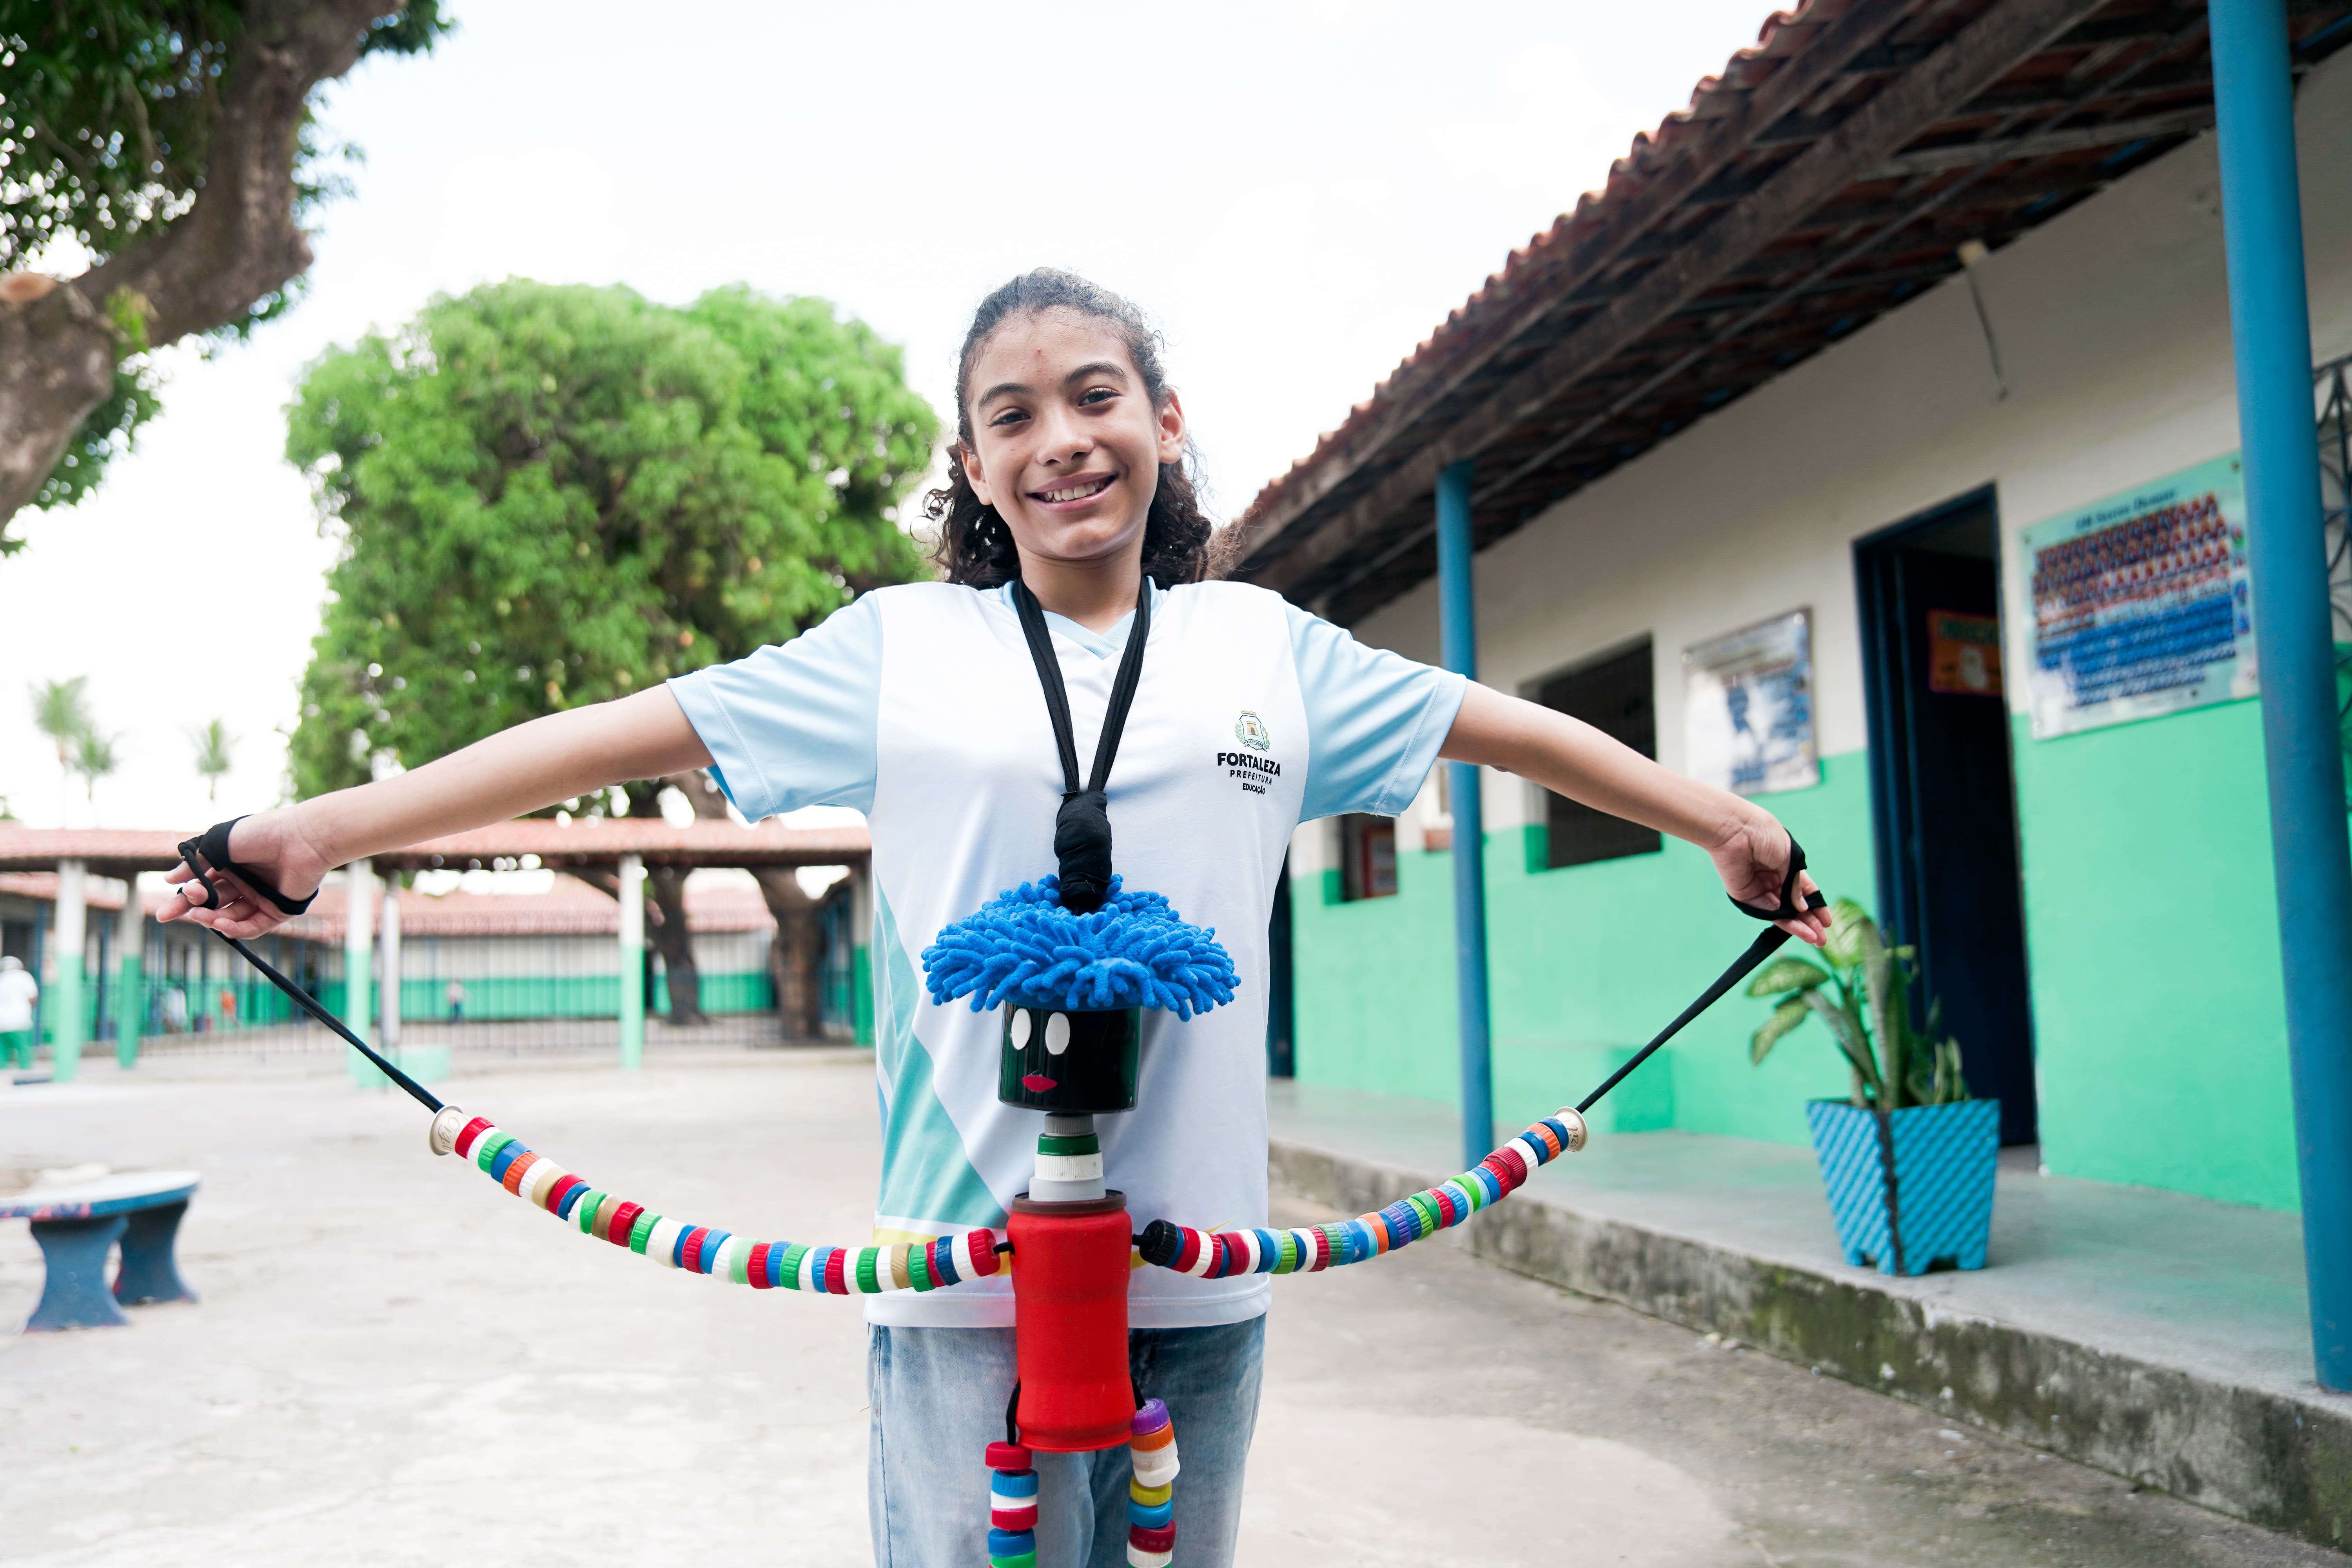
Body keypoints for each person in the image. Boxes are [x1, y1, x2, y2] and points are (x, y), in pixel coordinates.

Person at [160, 269, 1828, 1568]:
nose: (1059, 439)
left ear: (1165, 418)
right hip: (954, 1282)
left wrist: (1724, 820)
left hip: (1200, 1278)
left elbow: (1502, 726)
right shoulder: (900, 648)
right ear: (971, 461)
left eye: (1093, 395)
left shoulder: (1267, 649)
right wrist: (323, 829)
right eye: (1009, 414)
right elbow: (619, 732)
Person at [0, 956, 37, 1069]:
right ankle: (25, 1072)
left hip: (2, 1021)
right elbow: (32, 997)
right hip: (21, 1019)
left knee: (2, 1052)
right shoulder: (24, 977)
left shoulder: (2, 979)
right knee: (24, 1049)